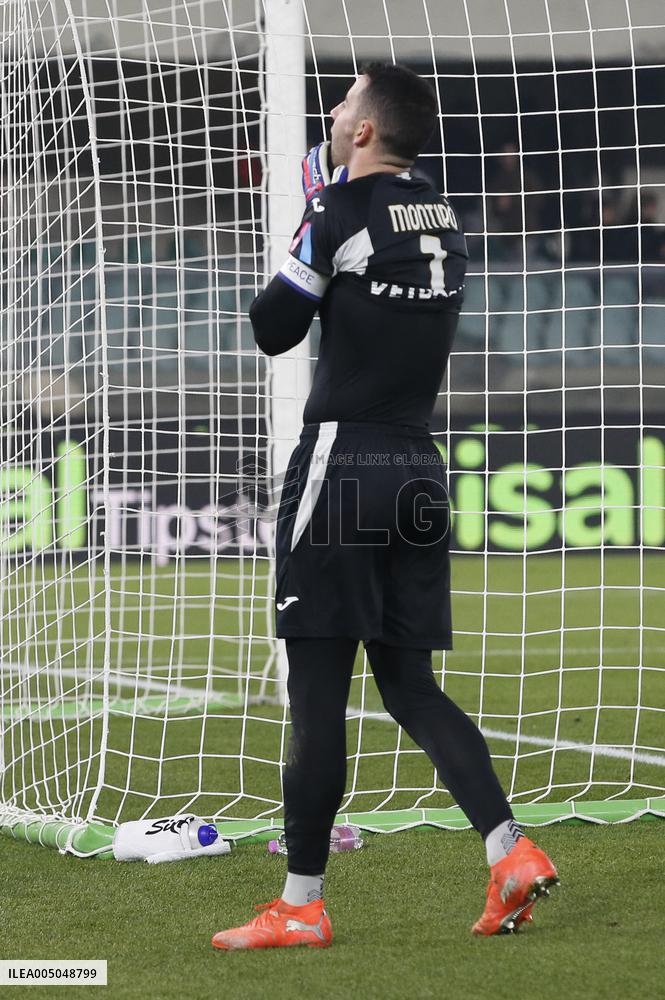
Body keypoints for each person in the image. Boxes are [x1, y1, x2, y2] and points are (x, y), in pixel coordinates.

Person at [211, 62, 558, 952]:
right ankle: (506, 846)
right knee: (408, 683)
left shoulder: (336, 213)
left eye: (343, 104)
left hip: (343, 463)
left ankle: (300, 903)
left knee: (317, 691)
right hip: (416, 467)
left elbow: (271, 329)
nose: (330, 113)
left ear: (364, 131)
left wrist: (306, 225)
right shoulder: (441, 214)